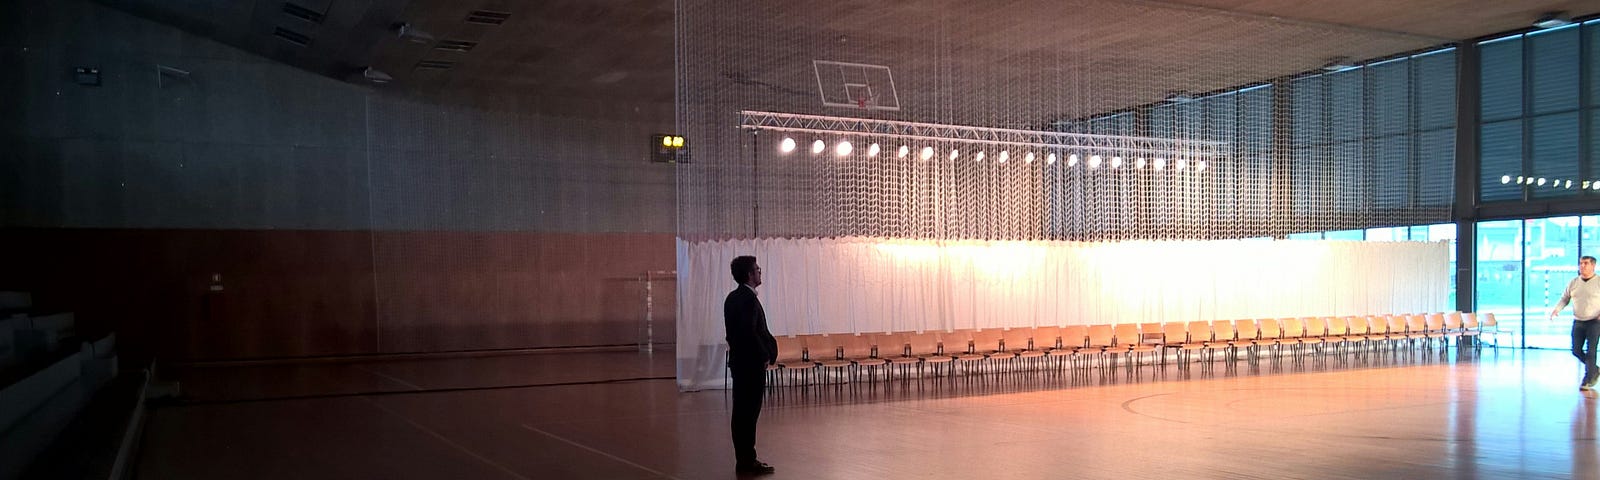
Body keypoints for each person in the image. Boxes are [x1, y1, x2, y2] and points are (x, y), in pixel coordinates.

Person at [724, 255, 777, 475]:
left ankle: (744, 458)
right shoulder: (747, 299)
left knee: (742, 412)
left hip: (740, 363)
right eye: (757, 269)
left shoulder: (733, 298)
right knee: (748, 413)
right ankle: (747, 460)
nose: (760, 271)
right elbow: (749, 332)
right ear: (749, 274)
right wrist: (765, 354)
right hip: (750, 365)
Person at [1550, 255, 1600, 390]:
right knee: (1576, 350)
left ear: (1593, 266)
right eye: (1581, 263)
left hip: (1595, 322)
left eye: (1585, 263)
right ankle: (1594, 369)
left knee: (1591, 351)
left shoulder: (1598, 281)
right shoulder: (1573, 282)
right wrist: (1557, 310)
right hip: (1578, 321)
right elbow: (1564, 299)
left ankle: (1588, 379)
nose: (1582, 266)